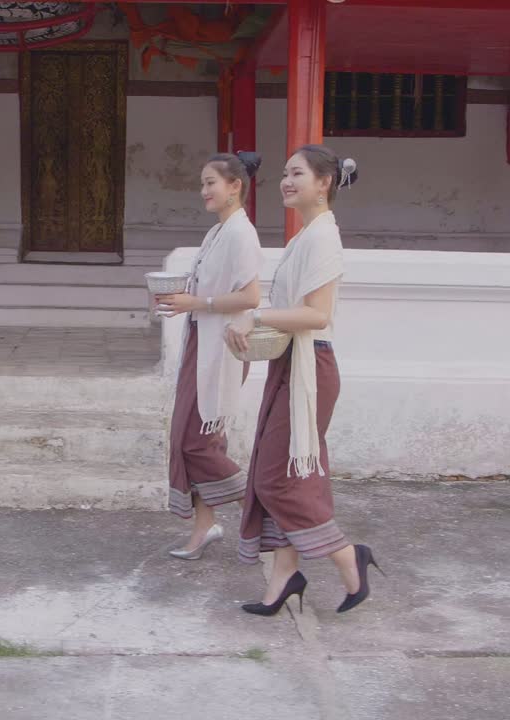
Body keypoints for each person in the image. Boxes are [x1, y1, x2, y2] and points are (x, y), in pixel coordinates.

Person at [224, 144, 381, 615]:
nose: (286, 181)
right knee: (282, 474)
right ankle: (282, 580)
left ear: (324, 182)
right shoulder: (304, 237)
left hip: (311, 365)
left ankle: (347, 555)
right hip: (290, 364)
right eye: (285, 173)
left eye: (297, 173)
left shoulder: (322, 238)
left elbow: (316, 314)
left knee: (276, 480)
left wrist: (255, 317)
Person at [154, 151, 264, 560]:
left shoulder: (240, 233)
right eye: (202, 183)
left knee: (199, 443)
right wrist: (183, 299)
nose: (204, 191)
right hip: (202, 345)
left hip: (222, 347)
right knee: (186, 439)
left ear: (235, 186)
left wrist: (196, 301)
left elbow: (250, 297)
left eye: (210, 183)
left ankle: (260, 511)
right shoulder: (217, 232)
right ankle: (205, 527)